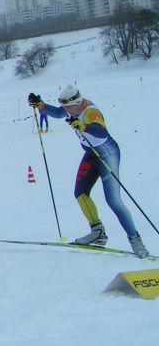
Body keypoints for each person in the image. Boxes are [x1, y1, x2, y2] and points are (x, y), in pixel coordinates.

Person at [28, 86, 148, 258]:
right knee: (80, 193)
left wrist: (84, 127)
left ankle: (136, 241)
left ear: (77, 103)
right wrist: (40, 105)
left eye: (68, 107)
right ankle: (97, 232)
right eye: (65, 107)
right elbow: (57, 113)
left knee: (113, 201)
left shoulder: (91, 112)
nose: (66, 111)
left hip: (108, 154)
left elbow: (101, 132)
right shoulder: (71, 107)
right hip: (91, 154)